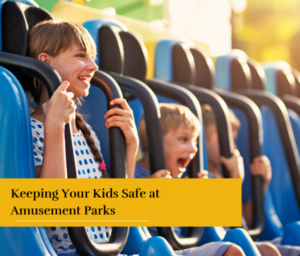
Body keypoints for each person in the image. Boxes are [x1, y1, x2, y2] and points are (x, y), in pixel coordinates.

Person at [29, 20, 139, 254]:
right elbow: (50, 208)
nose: (93, 66)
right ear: (45, 63)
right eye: (81, 56)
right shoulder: (31, 130)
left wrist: (131, 146)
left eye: (92, 57)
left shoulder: (86, 131)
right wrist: (55, 128)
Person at [137, 103, 247, 256]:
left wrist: (202, 198)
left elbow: (226, 224)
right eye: (183, 139)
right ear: (153, 139)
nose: (194, 148)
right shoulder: (133, 175)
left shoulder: (176, 181)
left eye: (195, 141)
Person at [202, 104, 300, 256]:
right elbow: (219, 225)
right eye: (227, 138)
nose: (233, 146)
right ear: (201, 139)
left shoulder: (223, 174)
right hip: (223, 243)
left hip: (244, 239)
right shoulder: (200, 177)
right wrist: (234, 182)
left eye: (234, 140)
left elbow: (242, 220)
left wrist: (261, 185)